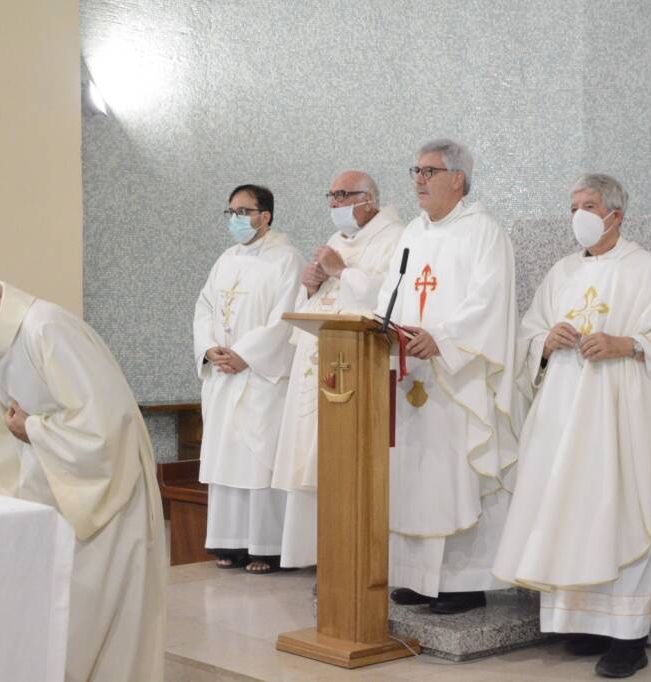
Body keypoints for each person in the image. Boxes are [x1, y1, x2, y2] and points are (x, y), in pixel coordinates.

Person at [492, 173, 651, 678]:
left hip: (625, 413)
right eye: (573, 206)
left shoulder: (650, 270)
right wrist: (545, 341)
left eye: (588, 205)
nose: (579, 216)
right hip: (563, 413)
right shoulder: (561, 272)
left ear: (615, 214)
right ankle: (583, 621)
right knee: (570, 509)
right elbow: (528, 333)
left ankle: (628, 636)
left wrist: (629, 344)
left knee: (618, 509)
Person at [0, 280, 166, 681]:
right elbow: (6, 442)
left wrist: (36, 430)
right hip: (56, 506)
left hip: (104, 505)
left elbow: (109, 429)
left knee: (100, 637)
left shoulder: (47, 330)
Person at [376, 138, 524, 615]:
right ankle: (420, 578)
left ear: (458, 178)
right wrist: (387, 332)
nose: (419, 180)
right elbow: (390, 293)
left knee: (455, 475)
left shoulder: (484, 232)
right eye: (415, 170)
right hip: (411, 371)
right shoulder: (411, 234)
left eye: (429, 171)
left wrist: (441, 337)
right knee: (416, 477)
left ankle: (463, 583)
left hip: (458, 377)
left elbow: (490, 302)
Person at [272, 170, 403, 568]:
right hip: (318, 353)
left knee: (345, 456)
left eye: (343, 195)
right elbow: (317, 298)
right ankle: (316, 555)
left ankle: (352, 556)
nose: (334, 204)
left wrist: (340, 272)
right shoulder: (336, 240)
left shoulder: (396, 238)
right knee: (309, 450)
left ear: (368, 199)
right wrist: (311, 284)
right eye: (330, 195)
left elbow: (390, 297)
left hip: (358, 359)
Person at [193, 184, 303, 574]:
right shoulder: (226, 259)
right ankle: (230, 542)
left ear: (265, 216)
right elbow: (204, 306)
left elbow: (286, 316)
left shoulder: (286, 259)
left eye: (243, 211)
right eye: (231, 213)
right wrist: (209, 349)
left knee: (258, 459)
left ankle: (265, 547)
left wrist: (246, 354)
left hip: (260, 378)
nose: (236, 220)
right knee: (227, 459)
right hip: (224, 376)